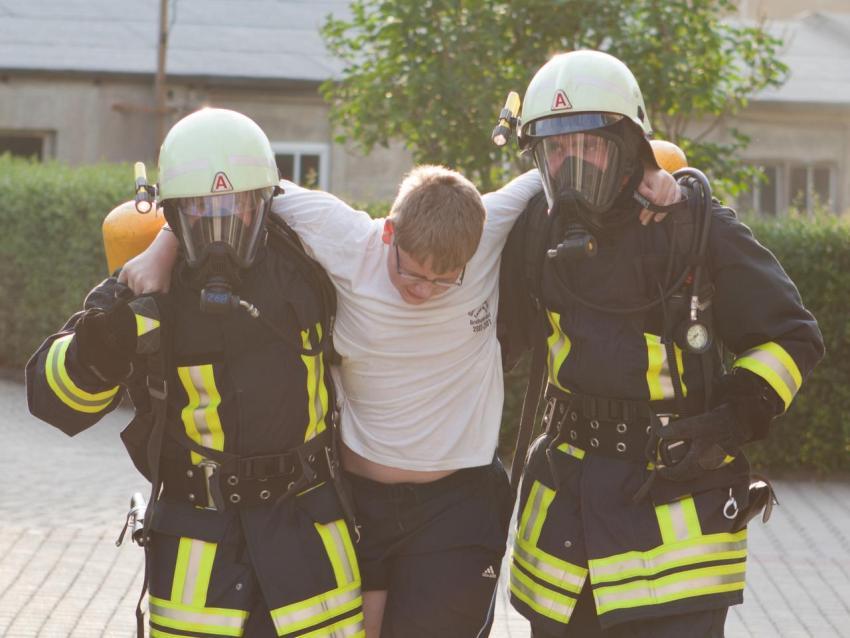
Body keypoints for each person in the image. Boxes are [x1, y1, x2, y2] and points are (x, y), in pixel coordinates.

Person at [121, 129, 679, 636]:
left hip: (457, 505)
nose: (424, 290)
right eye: (412, 272)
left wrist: (654, 169)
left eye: (445, 280)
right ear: (389, 233)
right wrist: (164, 245)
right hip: (357, 502)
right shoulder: (345, 237)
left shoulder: (487, 225)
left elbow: (569, 159)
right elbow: (234, 183)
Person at [498, 49, 825, 638]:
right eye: (554, 149)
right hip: (567, 528)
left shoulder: (694, 228)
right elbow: (487, 343)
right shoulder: (533, 231)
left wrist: (734, 416)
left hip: (674, 527)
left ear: (629, 147)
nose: (570, 165)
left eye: (588, 145)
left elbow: (792, 335)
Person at [26, 108, 364, 637]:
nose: (221, 230)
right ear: (173, 214)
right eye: (202, 210)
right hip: (199, 560)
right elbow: (51, 400)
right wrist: (104, 344)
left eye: (238, 207)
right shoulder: (145, 291)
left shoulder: (309, 266)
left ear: (264, 203)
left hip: (310, 548)